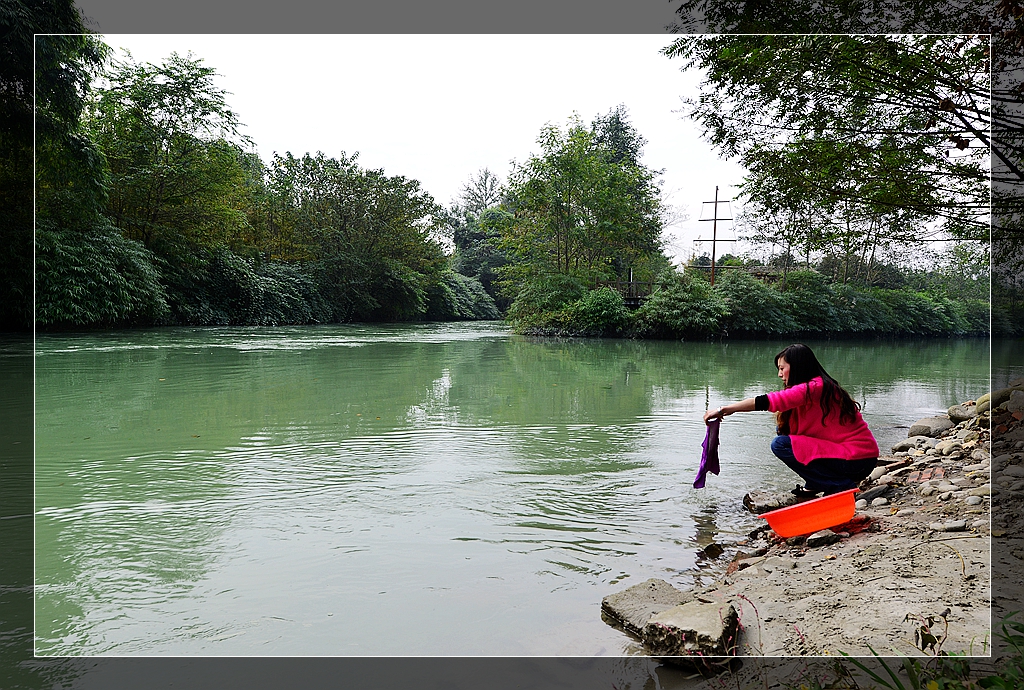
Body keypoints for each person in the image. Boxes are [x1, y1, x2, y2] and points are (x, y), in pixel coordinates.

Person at [702, 343, 878, 497]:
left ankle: (840, 486)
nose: (779, 374)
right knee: (784, 433)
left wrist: (724, 410)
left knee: (780, 444)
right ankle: (817, 483)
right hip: (855, 458)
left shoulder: (816, 387)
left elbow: (768, 401)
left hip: (857, 459)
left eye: (781, 368)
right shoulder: (815, 387)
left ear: (797, 367)